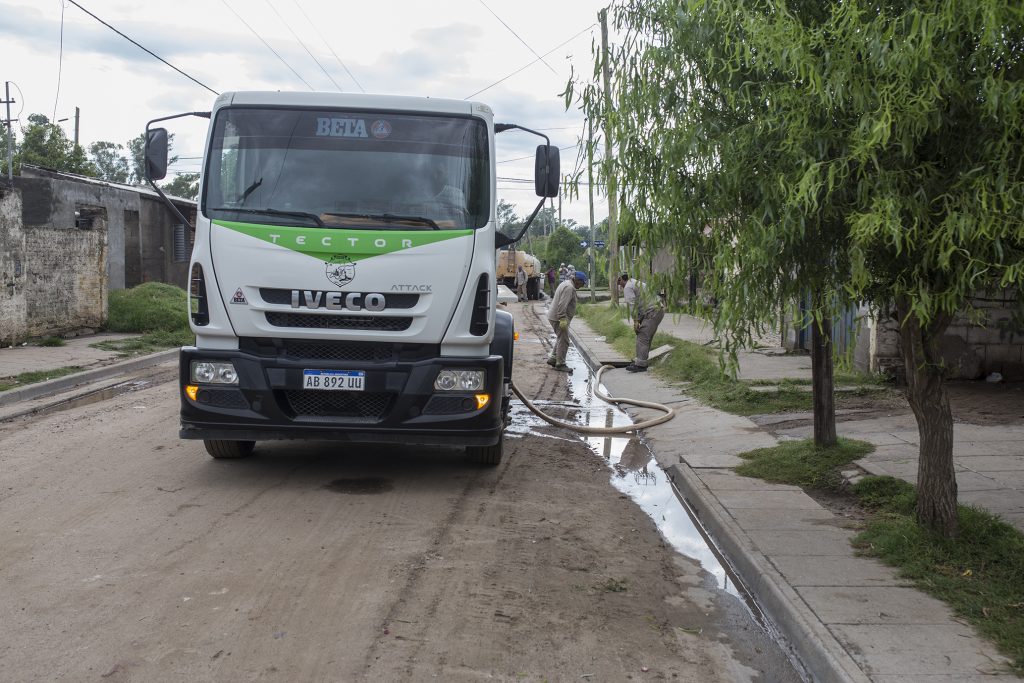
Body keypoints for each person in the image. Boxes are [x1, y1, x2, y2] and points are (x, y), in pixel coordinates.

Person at [617, 273, 665, 373]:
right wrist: (638, 320)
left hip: (652, 311)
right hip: (657, 309)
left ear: (621, 279)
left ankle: (641, 365)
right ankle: (641, 361)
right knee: (646, 337)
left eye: (618, 282)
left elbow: (632, 304)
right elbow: (641, 303)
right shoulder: (634, 282)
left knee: (642, 336)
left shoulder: (628, 287)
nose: (619, 285)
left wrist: (635, 321)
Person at [546, 270, 587, 372]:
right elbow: (562, 304)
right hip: (558, 318)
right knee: (564, 340)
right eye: (582, 283)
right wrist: (562, 318)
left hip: (555, 316)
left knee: (561, 338)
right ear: (578, 280)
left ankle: (553, 358)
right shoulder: (569, 288)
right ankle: (560, 364)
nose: (582, 286)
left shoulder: (566, 284)